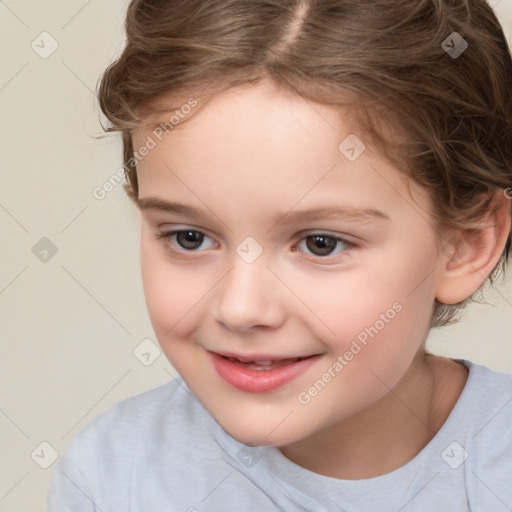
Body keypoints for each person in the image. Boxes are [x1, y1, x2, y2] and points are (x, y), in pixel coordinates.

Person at [48, 0, 512, 510]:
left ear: (468, 243)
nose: (241, 308)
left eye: (321, 244)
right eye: (189, 237)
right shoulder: (115, 478)